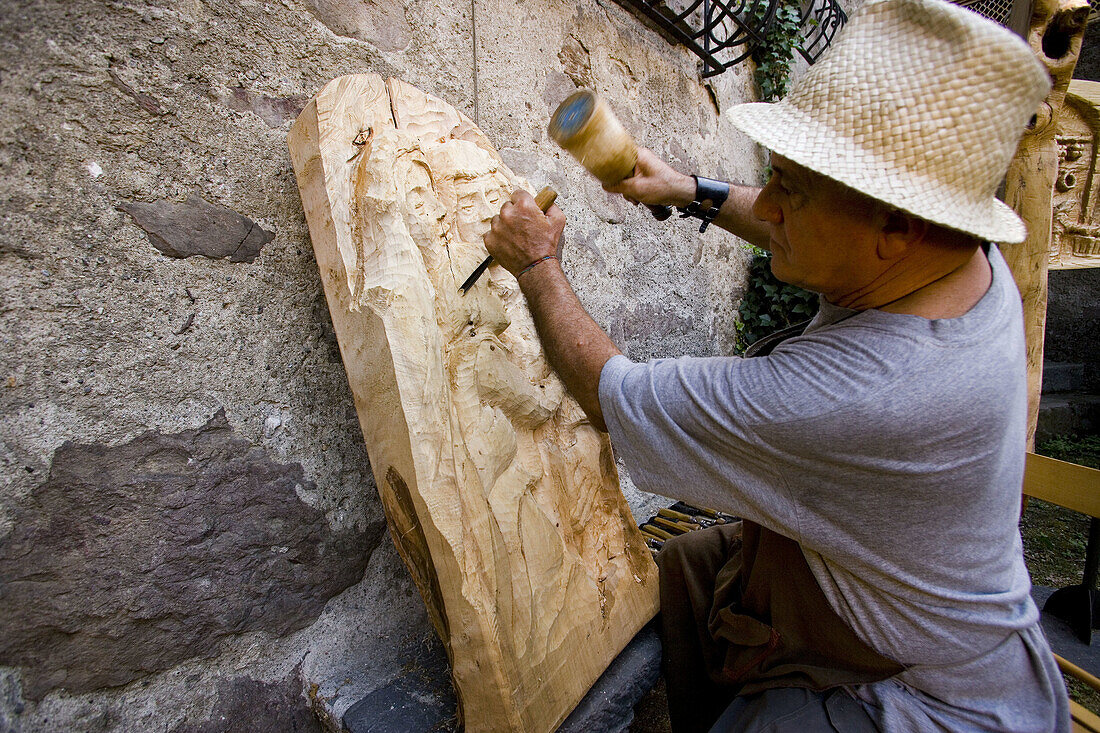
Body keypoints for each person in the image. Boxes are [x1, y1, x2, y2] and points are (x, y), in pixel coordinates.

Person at [483, 0, 1070, 729]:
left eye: (794, 187)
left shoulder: (868, 391)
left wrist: (537, 265)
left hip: (933, 694)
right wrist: (689, 190)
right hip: (890, 585)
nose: (773, 204)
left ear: (897, 226)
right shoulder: (958, 258)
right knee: (687, 574)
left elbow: (615, 396)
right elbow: (815, 219)